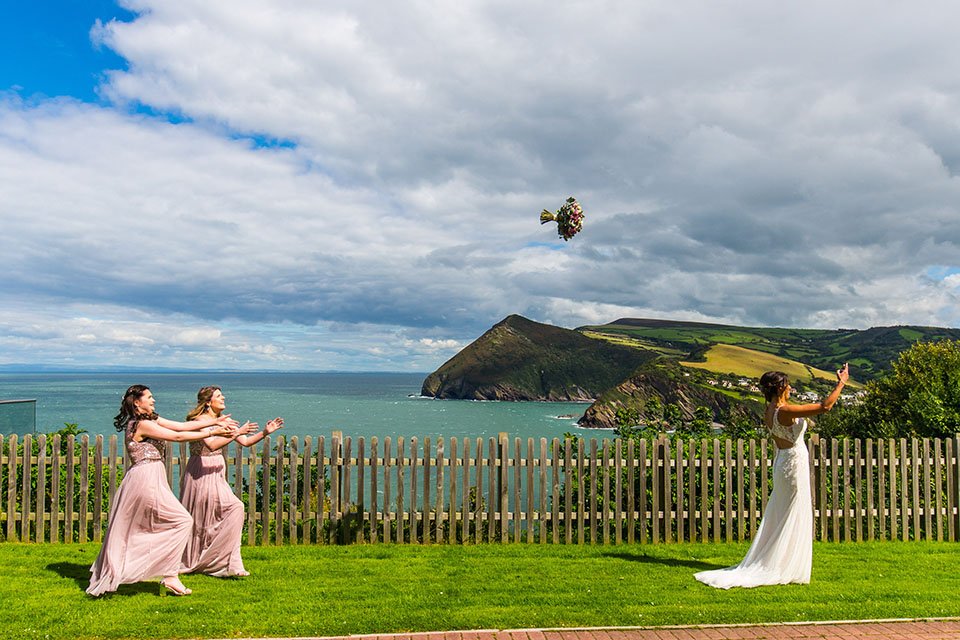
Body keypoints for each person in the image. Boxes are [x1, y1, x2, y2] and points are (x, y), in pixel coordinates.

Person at [695, 363, 850, 589]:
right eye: (787, 385)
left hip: (782, 461)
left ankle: (781, 560)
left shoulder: (770, 411)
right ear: (779, 389)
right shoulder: (784, 411)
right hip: (793, 462)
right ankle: (782, 564)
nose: (790, 388)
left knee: (782, 511)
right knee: (792, 512)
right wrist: (842, 382)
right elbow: (825, 406)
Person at [87, 385, 238, 597]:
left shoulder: (150, 419)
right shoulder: (141, 424)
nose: (153, 400)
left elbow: (179, 427)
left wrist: (215, 421)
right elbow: (176, 437)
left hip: (152, 476)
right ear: (137, 402)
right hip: (145, 478)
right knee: (181, 521)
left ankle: (165, 573)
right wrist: (213, 430)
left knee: (152, 526)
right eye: (149, 397)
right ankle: (169, 575)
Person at [179, 386, 284, 578]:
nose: (223, 398)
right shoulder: (198, 421)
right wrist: (236, 433)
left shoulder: (225, 419)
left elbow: (245, 442)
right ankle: (198, 560)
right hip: (200, 470)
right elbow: (210, 445)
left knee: (234, 507)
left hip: (217, 471)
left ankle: (229, 562)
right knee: (201, 518)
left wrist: (265, 432)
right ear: (209, 401)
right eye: (219, 396)